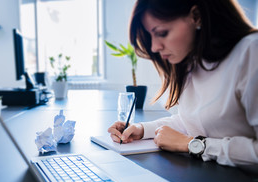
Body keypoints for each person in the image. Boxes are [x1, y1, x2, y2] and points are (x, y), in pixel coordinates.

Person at [108, 0, 258, 170]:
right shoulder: (192, 62)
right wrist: (141, 130)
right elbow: (190, 122)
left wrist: (193, 145)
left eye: (162, 33)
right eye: (150, 36)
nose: (154, 47)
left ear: (196, 16)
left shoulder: (251, 51)